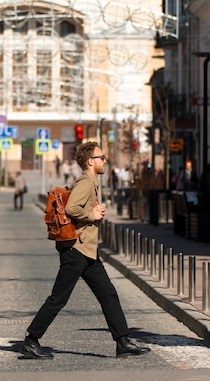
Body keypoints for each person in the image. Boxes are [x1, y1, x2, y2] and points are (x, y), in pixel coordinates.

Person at [20, 142, 150, 359]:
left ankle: (122, 341)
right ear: (90, 161)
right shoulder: (86, 181)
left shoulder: (92, 182)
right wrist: (92, 215)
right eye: (101, 157)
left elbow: (80, 208)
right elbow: (72, 209)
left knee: (108, 294)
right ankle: (31, 340)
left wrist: (93, 210)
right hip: (76, 251)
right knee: (59, 298)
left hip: (88, 252)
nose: (105, 160)